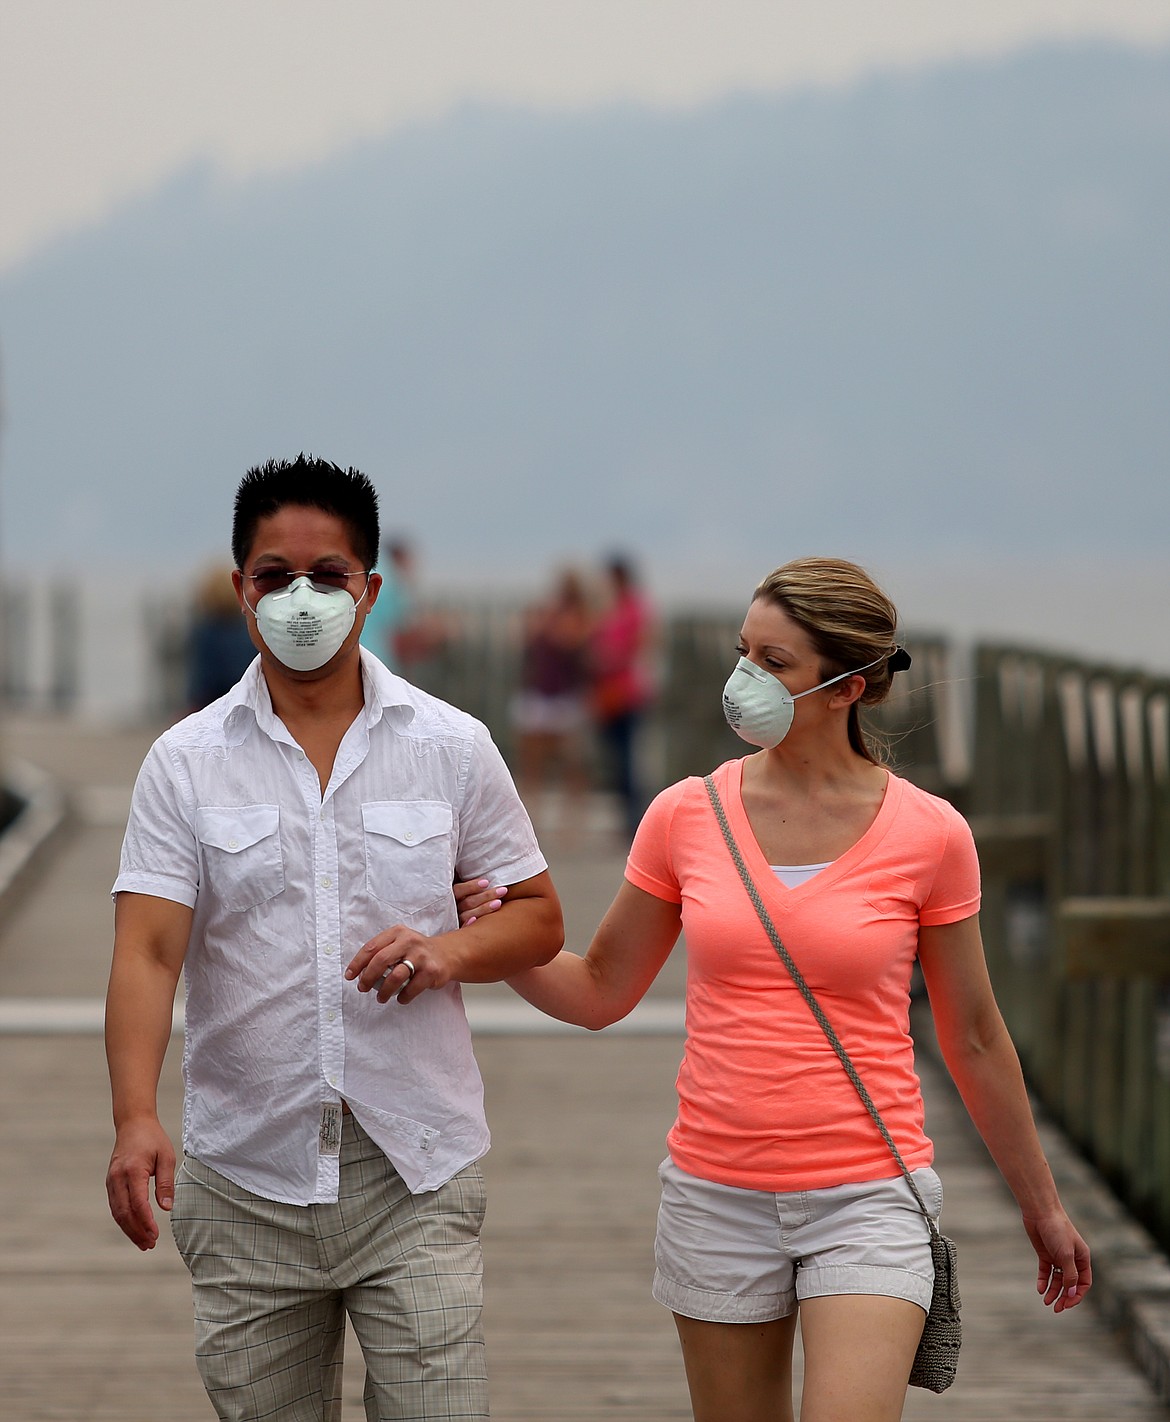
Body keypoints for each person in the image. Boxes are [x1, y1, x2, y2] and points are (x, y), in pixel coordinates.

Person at [464, 556, 1092, 1422]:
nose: (743, 680)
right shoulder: (684, 814)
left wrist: (1043, 1206)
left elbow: (975, 1034)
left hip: (870, 1195)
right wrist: (494, 938)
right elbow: (602, 988)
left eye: (775, 663)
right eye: (743, 652)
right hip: (715, 1197)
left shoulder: (930, 834)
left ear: (851, 687)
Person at [104, 455, 563, 1422]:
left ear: (371, 589)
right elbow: (149, 951)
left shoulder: (451, 745)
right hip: (246, 1171)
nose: (300, 599)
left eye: (327, 576)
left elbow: (537, 916)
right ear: (240, 591)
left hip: (416, 1167)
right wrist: (135, 1116)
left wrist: (449, 952)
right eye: (274, 576)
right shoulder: (183, 764)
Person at [510, 567, 594, 841]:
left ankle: (570, 820)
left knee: (570, 763)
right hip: (544, 693)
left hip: (564, 697)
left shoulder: (576, 617)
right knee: (533, 758)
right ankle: (533, 813)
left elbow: (570, 642)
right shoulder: (556, 613)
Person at [589, 553, 654, 840]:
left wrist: (607, 660)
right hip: (608, 693)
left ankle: (633, 821)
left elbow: (636, 647)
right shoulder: (611, 608)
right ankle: (626, 820)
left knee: (628, 759)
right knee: (616, 760)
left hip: (625, 692)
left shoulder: (632, 609)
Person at [185, 563, 258, 710]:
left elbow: (204, 680)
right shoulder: (249, 630)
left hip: (218, 701)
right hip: (251, 698)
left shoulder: (206, 633)